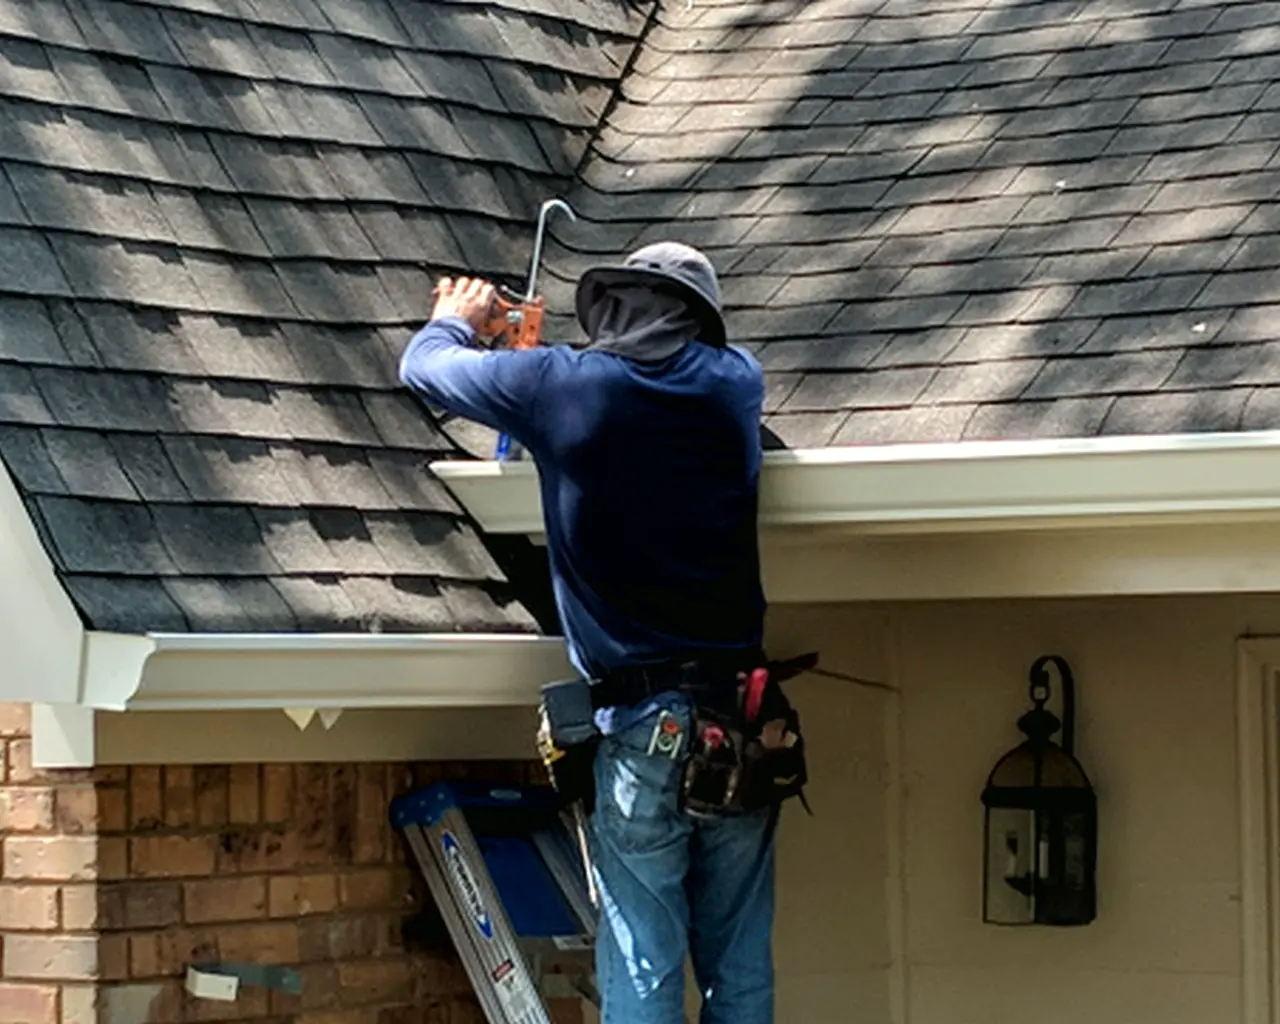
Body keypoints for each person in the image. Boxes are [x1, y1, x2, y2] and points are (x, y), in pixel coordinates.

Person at [399, 241, 776, 1024]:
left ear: (611, 309)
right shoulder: (735, 385)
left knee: (643, 959)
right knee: (739, 964)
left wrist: (458, 321)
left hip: (644, 729)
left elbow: (424, 367)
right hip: (740, 721)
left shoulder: (561, 386)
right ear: (698, 321)